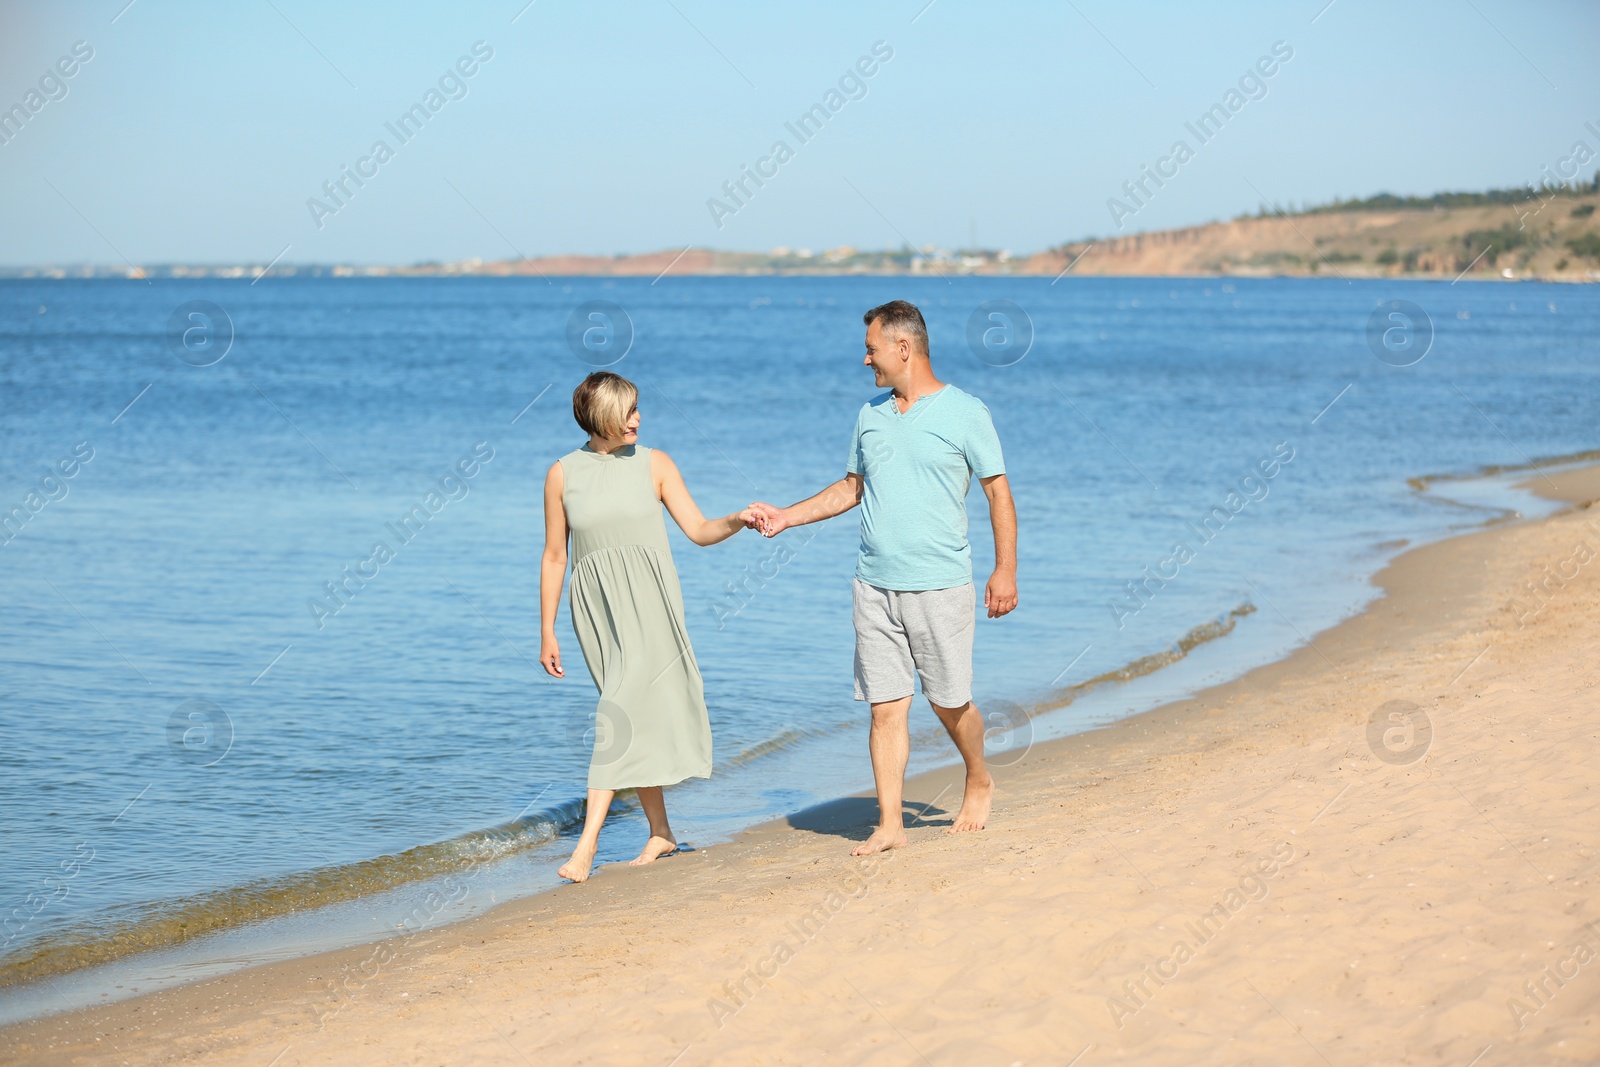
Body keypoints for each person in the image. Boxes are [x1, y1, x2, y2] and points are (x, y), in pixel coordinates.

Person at [749, 299, 1018, 856]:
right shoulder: (869, 415)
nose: (864, 358)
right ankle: (890, 823)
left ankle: (978, 775)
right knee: (886, 707)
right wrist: (785, 516)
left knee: (950, 702)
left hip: (941, 584)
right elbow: (851, 488)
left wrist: (1005, 569)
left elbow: (997, 491)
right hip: (873, 585)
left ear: (903, 347)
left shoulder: (967, 413)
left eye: (870, 347)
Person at [540, 371, 756, 882]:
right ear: (600, 418)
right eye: (628, 411)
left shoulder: (655, 464)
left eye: (637, 409)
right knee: (629, 713)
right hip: (598, 612)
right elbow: (554, 556)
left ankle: (586, 847)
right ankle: (660, 831)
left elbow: (700, 531)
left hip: (652, 607)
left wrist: (738, 520)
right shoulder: (561, 474)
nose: (638, 419)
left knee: (618, 714)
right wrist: (546, 630)